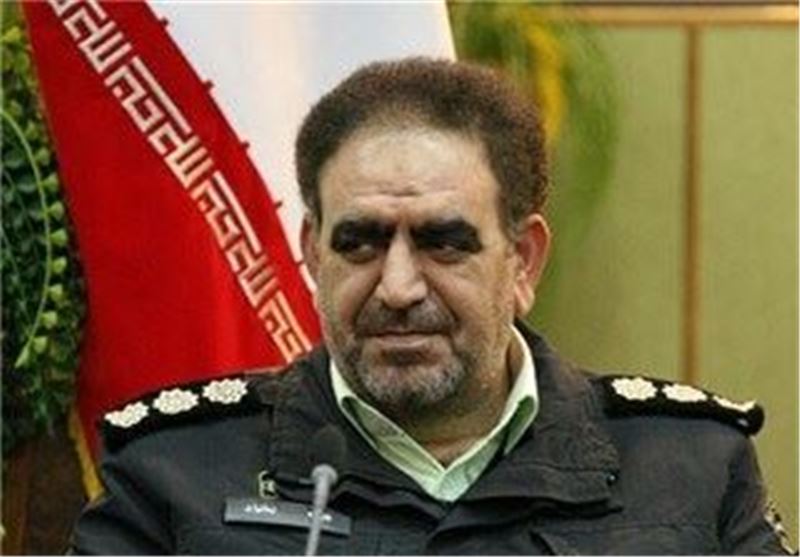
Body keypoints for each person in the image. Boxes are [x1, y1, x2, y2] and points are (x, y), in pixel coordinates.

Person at [70, 57, 793, 555]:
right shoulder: (174, 471)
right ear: (312, 254)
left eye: (444, 243)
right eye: (359, 242)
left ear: (523, 260)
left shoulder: (692, 468)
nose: (398, 287)